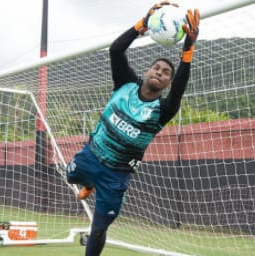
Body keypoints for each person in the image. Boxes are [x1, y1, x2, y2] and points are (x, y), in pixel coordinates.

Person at [66, 2, 200, 255]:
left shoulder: (163, 110)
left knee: (98, 229)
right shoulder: (125, 83)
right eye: (156, 68)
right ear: (147, 70)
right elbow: (116, 50)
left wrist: (189, 47)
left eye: (166, 73)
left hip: (116, 177)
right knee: (70, 176)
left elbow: (182, 85)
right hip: (90, 156)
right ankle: (88, 184)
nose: (159, 73)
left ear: (168, 83)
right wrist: (143, 22)